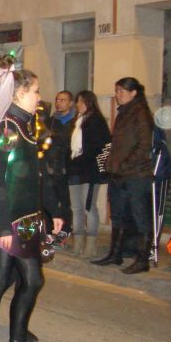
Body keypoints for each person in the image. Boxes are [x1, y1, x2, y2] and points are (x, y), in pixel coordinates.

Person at [0, 58, 64, 342]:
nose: (40, 96)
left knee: (30, 280)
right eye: (35, 91)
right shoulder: (7, 128)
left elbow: (37, 175)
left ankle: (16, 340)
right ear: (18, 93)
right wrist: (0, 224)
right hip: (6, 220)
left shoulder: (28, 125)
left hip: (27, 219)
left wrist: (51, 211)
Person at [91, 77, 154, 273]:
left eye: (120, 91)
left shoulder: (141, 114)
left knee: (140, 217)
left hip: (136, 176)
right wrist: (110, 163)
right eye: (116, 90)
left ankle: (142, 259)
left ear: (133, 92)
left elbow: (144, 146)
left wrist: (124, 165)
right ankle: (115, 253)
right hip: (118, 175)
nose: (117, 95)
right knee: (118, 216)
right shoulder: (122, 114)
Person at [67, 91, 111, 257]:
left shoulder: (96, 121)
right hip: (75, 170)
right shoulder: (77, 122)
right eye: (77, 102)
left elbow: (99, 146)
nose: (78, 105)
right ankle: (78, 243)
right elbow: (70, 146)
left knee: (89, 207)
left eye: (80, 102)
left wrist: (81, 159)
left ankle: (90, 245)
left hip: (90, 171)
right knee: (76, 207)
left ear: (89, 102)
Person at [43, 90, 74, 239]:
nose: (58, 103)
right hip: (51, 166)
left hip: (66, 166)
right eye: (57, 100)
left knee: (65, 200)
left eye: (63, 100)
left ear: (70, 103)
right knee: (51, 198)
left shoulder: (74, 121)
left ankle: (66, 229)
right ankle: (50, 231)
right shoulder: (51, 121)